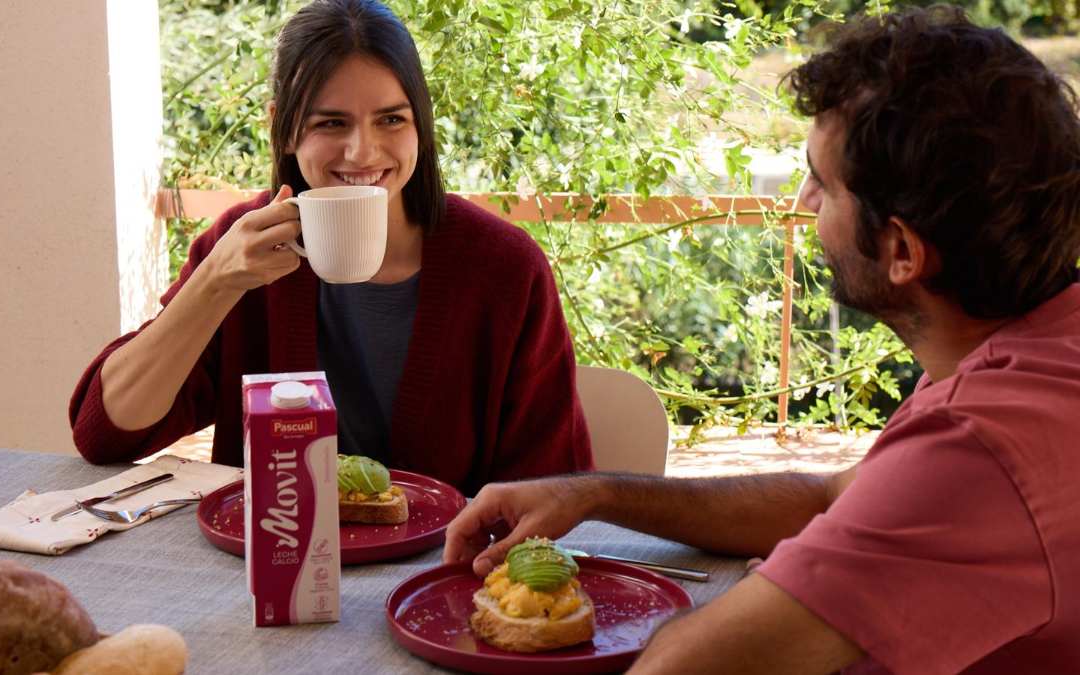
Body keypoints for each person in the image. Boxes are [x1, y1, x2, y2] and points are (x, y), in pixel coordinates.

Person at [445, 7, 1080, 673]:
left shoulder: (976, 446)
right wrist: (593, 494)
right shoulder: (1030, 350)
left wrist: (764, 602)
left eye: (822, 182)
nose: (804, 201)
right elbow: (834, 496)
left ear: (901, 250)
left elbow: (674, 668)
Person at [69, 0, 592, 494]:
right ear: (284, 129)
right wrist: (214, 283)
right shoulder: (241, 248)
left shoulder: (503, 267)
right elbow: (106, 435)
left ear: (421, 126)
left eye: (391, 119)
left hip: (445, 572)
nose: (362, 152)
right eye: (331, 123)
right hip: (275, 565)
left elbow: (552, 484)